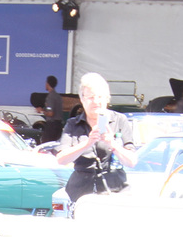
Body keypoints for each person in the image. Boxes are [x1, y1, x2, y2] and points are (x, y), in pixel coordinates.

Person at [55, 72, 134, 204]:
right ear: (82, 99)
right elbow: (61, 159)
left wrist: (112, 144)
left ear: (107, 99)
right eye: (90, 97)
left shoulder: (119, 120)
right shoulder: (73, 124)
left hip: (115, 191)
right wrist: (87, 143)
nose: (96, 101)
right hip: (80, 194)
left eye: (100, 97)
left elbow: (132, 161)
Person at [40, 74, 65, 144]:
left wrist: (42, 111)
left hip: (52, 125)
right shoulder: (58, 96)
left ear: (48, 84)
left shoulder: (50, 97)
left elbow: (50, 113)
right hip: (59, 125)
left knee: (47, 144)